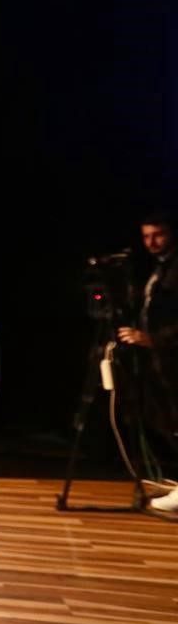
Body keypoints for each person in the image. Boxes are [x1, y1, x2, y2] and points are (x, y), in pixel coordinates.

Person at [119, 214, 178, 510]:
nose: (152, 243)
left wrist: (154, 338)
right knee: (165, 420)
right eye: (146, 236)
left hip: (171, 356)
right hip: (161, 362)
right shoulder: (158, 268)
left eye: (159, 235)